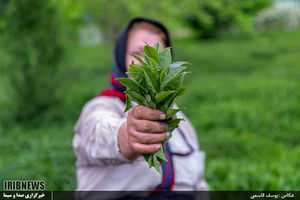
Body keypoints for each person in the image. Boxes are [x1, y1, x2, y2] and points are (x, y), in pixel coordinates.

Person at [73, 18, 208, 194]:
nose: (148, 63)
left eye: (158, 56)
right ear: (120, 59)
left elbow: (199, 185)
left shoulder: (180, 121)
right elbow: (99, 133)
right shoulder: (101, 107)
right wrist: (129, 136)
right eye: (138, 53)